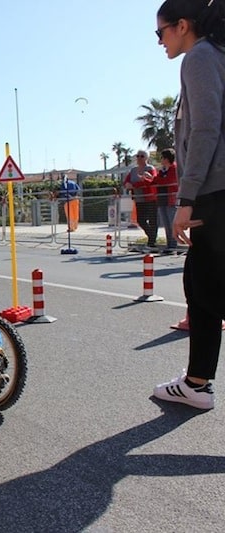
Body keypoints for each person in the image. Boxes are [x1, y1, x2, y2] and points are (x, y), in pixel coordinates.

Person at [152, 0, 225, 410]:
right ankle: (197, 381)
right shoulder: (217, 56)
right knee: (203, 287)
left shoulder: (199, 58)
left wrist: (186, 200)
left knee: (205, 289)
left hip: (214, 195)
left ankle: (197, 384)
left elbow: (205, 131)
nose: (159, 42)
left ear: (183, 25)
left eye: (160, 32)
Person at [123, 149, 159, 251]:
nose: (139, 158)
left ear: (146, 158)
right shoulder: (133, 170)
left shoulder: (150, 168)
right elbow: (126, 182)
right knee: (141, 220)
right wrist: (127, 184)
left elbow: (151, 181)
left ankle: (151, 242)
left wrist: (134, 185)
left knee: (152, 220)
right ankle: (152, 238)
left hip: (150, 197)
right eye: (137, 156)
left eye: (141, 156)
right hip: (139, 199)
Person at [153, 148, 179, 252]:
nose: (161, 160)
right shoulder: (162, 170)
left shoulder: (174, 168)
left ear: (167, 158)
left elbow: (168, 180)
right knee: (166, 224)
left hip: (171, 199)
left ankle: (173, 244)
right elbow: (156, 181)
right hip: (162, 199)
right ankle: (169, 244)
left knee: (172, 222)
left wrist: (156, 179)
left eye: (162, 157)